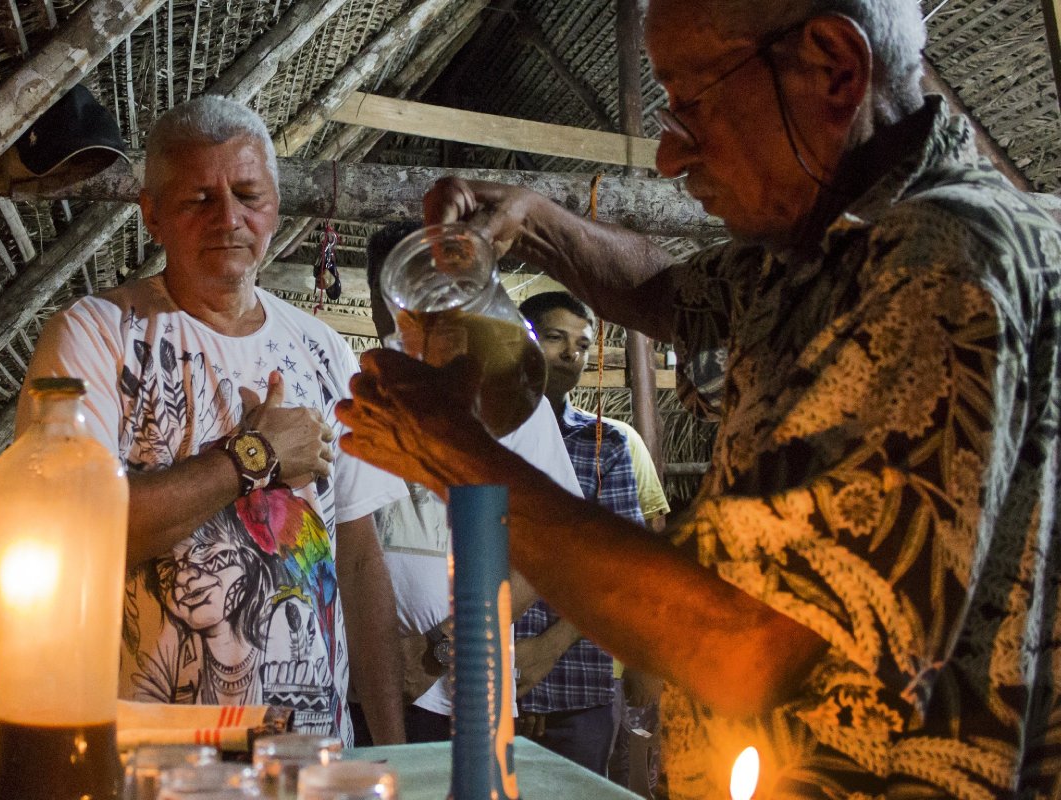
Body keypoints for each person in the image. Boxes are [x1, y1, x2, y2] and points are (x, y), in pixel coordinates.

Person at [335, 0, 1061, 795]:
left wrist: (453, 455)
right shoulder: (831, 248)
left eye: (692, 103)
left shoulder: (933, 270)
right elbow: (664, 293)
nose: (671, 154)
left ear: (832, 68)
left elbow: (748, 644)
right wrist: (534, 223)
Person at [19, 95, 408, 745]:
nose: (228, 218)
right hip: (146, 751)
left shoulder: (324, 352)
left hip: (306, 752)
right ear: (152, 214)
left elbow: (361, 562)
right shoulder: (96, 336)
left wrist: (394, 750)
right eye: (198, 199)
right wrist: (252, 457)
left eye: (248, 195)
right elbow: (77, 530)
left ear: (274, 206)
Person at [359, 221, 584, 744]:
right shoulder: (356, 393)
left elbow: (552, 547)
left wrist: (437, 649)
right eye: (399, 293)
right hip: (360, 685)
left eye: (433, 288)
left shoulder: (509, 399)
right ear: (377, 305)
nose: (418, 307)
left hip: (462, 691)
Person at [512, 291, 645, 775]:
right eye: (555, 338)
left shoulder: (603, 444)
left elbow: (622, 569)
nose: (572, 354)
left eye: (583, 345)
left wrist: (546, 650)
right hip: (474, 682)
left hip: (575, 689)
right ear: (518, 341)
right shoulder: (478, 434)